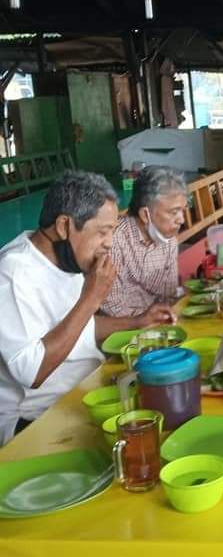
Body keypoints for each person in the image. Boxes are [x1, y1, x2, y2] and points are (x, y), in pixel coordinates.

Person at [0, 171, 175, 446]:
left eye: (112, 232)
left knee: (171, 401)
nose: (109, 243)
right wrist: (91, 297)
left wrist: (138, 322)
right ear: (63, 225)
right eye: (102, 232)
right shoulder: (12, 275)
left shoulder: (65, 258)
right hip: (38, 420)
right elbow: (32, 371)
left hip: (85, 392)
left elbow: (80, 328)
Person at [102, 165, 187, 317]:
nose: (181, 220)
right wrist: (146, 319)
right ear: (145, 214)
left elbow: (169, 293)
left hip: (157, 319)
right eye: (174, 212)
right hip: (123, 327)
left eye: (183, 210)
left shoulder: (168, 238)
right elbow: (112, 309)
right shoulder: (115, 242)